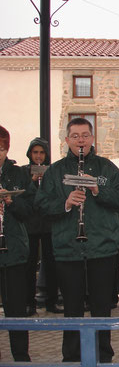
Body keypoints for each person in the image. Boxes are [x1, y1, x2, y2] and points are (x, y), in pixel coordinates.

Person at [35, 118, 119, 363]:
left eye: (85, 135)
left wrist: (98, 191)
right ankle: (73, 357)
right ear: (66, 140)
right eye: (75, 136)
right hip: (68, 249)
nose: (80, 140)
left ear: (92, 138)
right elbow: (41, 205)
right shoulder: (55, 171)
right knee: (72, 308)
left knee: (101, 307)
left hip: (102, 248)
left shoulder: (106, 168)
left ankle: (103, 356)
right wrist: (65, 203)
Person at [0, 125, 34, 362]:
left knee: (16, 309)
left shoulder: (18, 173)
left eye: (0, 149)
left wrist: (11, 201)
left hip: (14, 250)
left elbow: (30, 210)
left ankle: (21, 357)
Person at [22, 137, 63, 316]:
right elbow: (22, 196)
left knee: (52, 262)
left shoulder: (52, 171)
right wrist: (32, 181)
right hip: (30, 224)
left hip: (48, 223)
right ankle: (28, 303)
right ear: (30, 154)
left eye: (42, 153)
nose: (38, 156)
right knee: (29, 264)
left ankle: (51, 301)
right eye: (35, 152)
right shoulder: (23, 172)